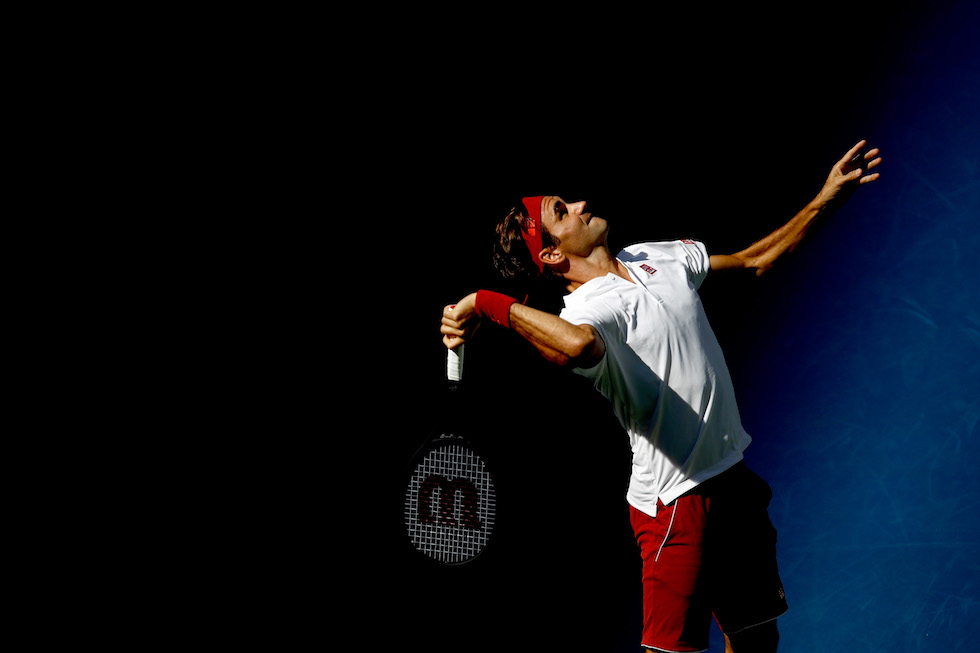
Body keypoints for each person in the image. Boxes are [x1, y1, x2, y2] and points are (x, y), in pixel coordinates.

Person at [440, 141, 881, 652]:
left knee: (758, 639)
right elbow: (577, 346)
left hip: (732, 482)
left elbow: (751, 261)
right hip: (675, 506)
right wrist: (486, 302)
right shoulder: (586, 311)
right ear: (552, 254)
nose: (580, 204)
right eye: (563, 211)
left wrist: (825, 198)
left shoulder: (656, 256)